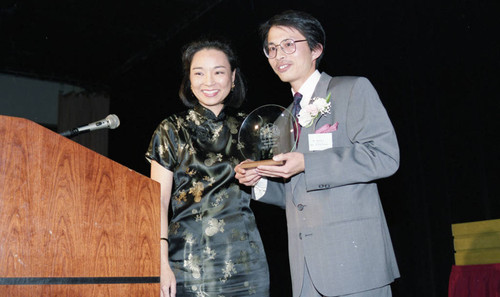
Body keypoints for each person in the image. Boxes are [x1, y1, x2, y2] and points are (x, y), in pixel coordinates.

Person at [234, 10, 400, 297]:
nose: (278, 55)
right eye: (271, 48)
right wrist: (258, 178)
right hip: (305, 271)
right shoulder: (282, 119)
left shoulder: (351, 89)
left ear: (315, 49)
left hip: (355, 264)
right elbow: (294, 193)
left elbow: (385, 157)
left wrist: (307, 163)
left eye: (288, 44)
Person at [146, 39, 270, 297]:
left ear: (233, 78)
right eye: (199, 73)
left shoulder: (252, 128)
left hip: (248, 261)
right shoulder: (171, 129)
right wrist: (160, 262)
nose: (209, 81)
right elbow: (157, 201)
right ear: (189, 80)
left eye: (219, 72)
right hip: (189, 261)